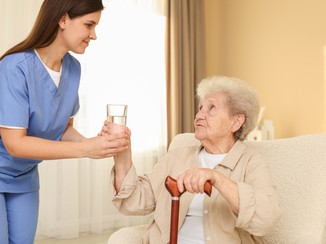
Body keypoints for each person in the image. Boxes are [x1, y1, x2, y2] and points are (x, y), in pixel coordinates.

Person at [0, 0, 128, 243]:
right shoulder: (16, 67)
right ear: (63, 19)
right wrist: (85, 150)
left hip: (22, 174)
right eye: (89, 25)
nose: (94, 35)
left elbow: (63, 129)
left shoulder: (73, 69)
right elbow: (15, 143)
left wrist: (95, 143)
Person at [109, 76, 282, 243]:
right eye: (200, 108)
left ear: (236, 122)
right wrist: (122, 153)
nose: (199, 115)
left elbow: (266, 219)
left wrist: (217, 179)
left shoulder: (251, 162)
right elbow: (133, 201)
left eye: (211, 108)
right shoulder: (177, 156)